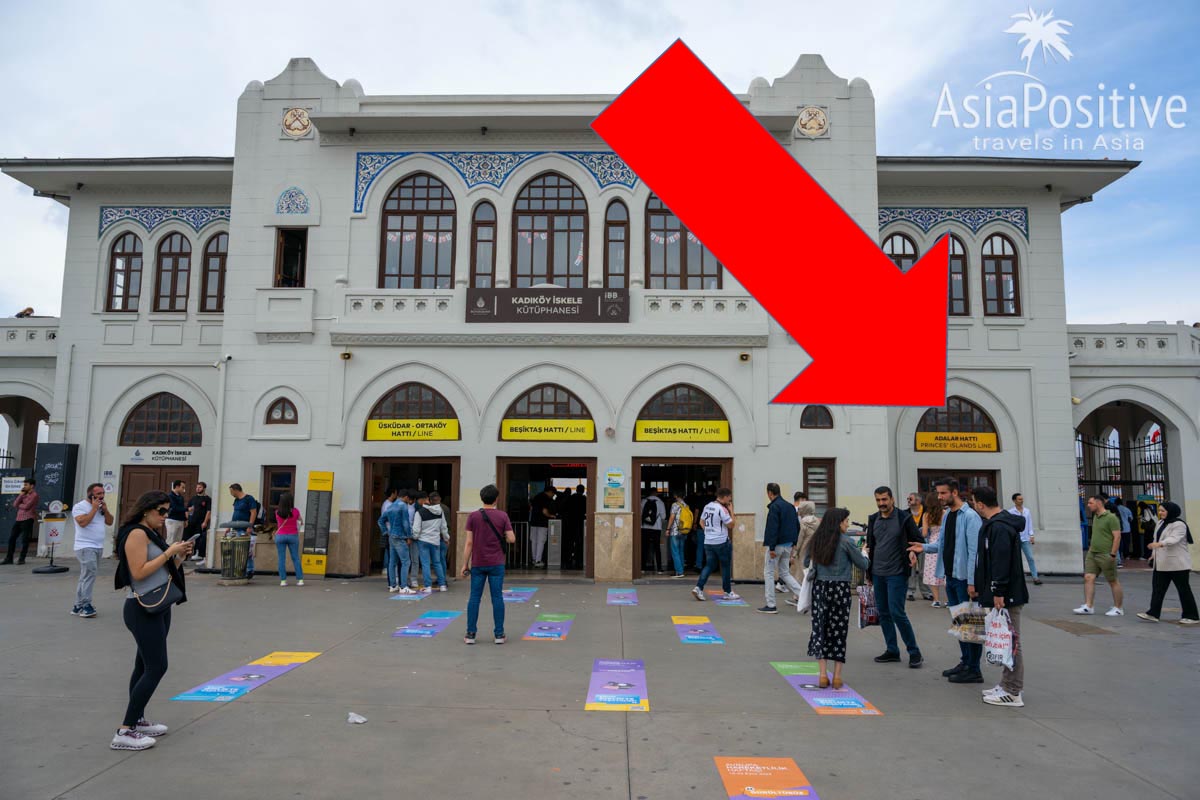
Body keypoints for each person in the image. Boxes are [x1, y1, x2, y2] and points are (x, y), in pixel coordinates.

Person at [111, 490, 192, 750]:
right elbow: (138, 571)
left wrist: (179, 556)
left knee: (143, 664)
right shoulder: (136, 533)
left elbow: (162, 573)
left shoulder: (151, 534)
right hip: (140, 607)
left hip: (157, 604)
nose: (165, 516)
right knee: (157, 666)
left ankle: (138, 719)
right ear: (147, 509)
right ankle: (124, 730)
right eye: (161, 511)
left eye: (167, 511)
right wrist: (169, 553)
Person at [911, 478, 983, 682]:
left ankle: (974, 669)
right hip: (951, 577)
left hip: (964, 579)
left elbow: (974, 552)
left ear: (954, 492)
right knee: (960, 624)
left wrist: (972, 581)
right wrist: (922, 547)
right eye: (938, 493)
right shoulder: (948, 516)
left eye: (943, 493)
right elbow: (941, 544)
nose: (940, 497)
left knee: (971, 624)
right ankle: (965, 662)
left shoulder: (970, 516)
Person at [971, 485, 1029, 708]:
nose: (974, 506)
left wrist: (998, 590)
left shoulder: (1000, 528)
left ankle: (1013, 691)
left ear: (981, 504)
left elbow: (1001, 561)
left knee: (1012, 642)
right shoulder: (996, 525)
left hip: (1007, 595)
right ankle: (1006, 684)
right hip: (1003, 593)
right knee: (1006, 640)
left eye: (974, 502)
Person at [804, 508, 871, 688]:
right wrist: (864, 552)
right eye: (846, 521)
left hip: (820, 588)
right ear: (838, 522)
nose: (847, 524)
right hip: (840, 590)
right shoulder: (847, 542)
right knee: (839, 631)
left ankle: (822, 675)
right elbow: (863, 564)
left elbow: (805, 563)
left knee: (820, 629)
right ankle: (837, 677)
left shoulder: (817, 540)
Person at [865, 486, 924, 668]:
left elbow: (918, 541)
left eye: (884, 500)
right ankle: (892, 650)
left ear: (892, 499)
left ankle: (914, 652)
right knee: (883, 613)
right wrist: (868, 569)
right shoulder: (873, 519)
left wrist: (913, 554)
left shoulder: (903, 518)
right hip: (877, 573)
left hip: (897, 573)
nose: (881, 503)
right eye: (878, 500)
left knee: (897, 612)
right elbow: (871, 546)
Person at [462, 484, 516, 645]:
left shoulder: (473, 516)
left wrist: (465, 564)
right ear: (496, 499)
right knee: (497, 597)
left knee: (474, 598)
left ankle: (471, 634)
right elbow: (512, 539)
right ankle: (499, 634)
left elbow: (469, 543)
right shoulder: (503, 516)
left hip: (478, 563)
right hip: (496, 563)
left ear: (481, 498)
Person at [1139, 502, 1199, 624]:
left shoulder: (1179, 524)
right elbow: (1156, 538)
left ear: (1171, 511)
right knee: (1158, 589)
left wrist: (1160, 544)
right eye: (1160, 510)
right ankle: (1153, 613)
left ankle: (1192, 616)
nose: (1160, 513)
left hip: (1177, 564)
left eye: (1163, 511)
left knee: (1183, 590)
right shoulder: (1160, 523)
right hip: (1161, 563)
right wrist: (1153, 555)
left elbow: (1174, 539)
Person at [1075, 495, 1123, 616]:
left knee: (1112, 581)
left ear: (1099, 503)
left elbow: (1117, 537)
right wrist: (1091, 550)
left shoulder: (1111, 518)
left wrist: (1113, 554)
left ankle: (1118, 608)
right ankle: (1088, 606)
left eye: (1090, 503)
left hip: (1106, 554)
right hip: (1093, 553)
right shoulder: (1095, 516)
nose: (1088, 505)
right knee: (1088, 577)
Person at [758, 482, 803, 613]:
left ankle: (771, 605)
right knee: (785, 573)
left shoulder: (774, 507)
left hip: (776, 547)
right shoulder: (790, 507)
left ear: (770, 493)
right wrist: (794, 544)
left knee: (769, 573)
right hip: (788, 546)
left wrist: (771, 548)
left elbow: (772, 529)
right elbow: (797, 526)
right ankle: (804, 597)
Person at [71, 483, 113, 618]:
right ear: (90, 494)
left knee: (86, 575)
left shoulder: (101, 507)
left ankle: (77, 605)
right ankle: (86, 605)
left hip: (98, 546)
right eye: (98, 493)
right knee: (90, 574)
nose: (101, 496)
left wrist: (105, 510)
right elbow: (82, 523)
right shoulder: (79, 507)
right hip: (85, 546)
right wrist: (94, 509)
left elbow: (110, 522)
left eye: (103, 493)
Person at [691, 488, 738, 602]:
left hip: (708, 541)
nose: (730, 500)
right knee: (726, 566)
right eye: (729, 497)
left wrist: (708, 531)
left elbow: (701, 522)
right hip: (721, 541)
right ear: (725, 497)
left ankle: (699, 587)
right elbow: (731, 525)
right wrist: (731, 511)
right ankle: (727, 592)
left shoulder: (708, 506)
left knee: (709, 565)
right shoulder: (722, 509)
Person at [379, 490, 414, 593]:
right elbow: (406, 523)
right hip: (400, 537)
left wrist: (386, 532)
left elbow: (380, 520)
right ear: (406, 497)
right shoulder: (403, 506)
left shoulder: (390, 506)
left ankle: (393, 585)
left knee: (392, 562)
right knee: (406, 561)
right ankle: (403, 586)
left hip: (392, 537)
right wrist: (409, 536)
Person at [415, 492, 449, 591]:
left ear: (429, 501)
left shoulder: (419, 513)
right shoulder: (440, 512)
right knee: (437, 563)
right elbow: (444, 527)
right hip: (435, 541)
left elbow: (416, 529)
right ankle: (442, 585)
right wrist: (446, 538)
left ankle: (428, 586)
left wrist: (415, 537)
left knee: (425, 564)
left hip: (423, 541)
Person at [1007, 492, 1041, 585]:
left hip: (1025, 538)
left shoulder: (1027, 511)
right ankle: (1015, 579)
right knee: (1015, 559)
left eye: (1022, 499)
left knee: (1030, 558)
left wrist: (1032, 535)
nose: (1022, 501)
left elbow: (1029, 524)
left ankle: (1035, 577)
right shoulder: (1010, 512)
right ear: (1014, 500)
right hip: (1016, 539)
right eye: (1019, 499)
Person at [3, 477, 38, 565]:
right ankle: (9, 558)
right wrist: (21, 495)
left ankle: (22, 559)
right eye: (24, 485)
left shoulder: (34, 495)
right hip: (19, 519)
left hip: (28, 518)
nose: (24, 486)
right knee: (12, 538)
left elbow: (27, 507)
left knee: (24, 539)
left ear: (32, 486)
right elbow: (15, 504)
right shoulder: (23, 494)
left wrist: (20, 505)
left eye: (26, 485)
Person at [228, 484, 260, 578]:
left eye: (231, 491)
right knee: (239, 551)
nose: (230, 493)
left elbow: (253, 512)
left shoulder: (249, 499)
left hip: (244, 528)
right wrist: (229, 526)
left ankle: (249, 570)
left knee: (246, 550)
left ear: (235, 490)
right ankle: (241, 569)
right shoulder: (236, 500)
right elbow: (235, 513)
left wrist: (249, 526)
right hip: (236, 528)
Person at [920, 491, 946, 607]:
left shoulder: (926, 515)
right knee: (946, 572)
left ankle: (936, 600)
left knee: (932, 572)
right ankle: (949, 599)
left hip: (932, 544)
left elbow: (925, 533)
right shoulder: (945, 513)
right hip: (944, 542)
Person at [905, 492, 931, 602]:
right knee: (911, 569)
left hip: (924, 544)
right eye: (908, 499)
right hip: (910, 544)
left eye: (910, 499)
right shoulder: (905, 513)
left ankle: (926, 592)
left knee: (923, 570)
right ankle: (910, 591)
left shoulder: (927, 512)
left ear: (918, 501)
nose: (908, 501)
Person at [274, 492, 304, 587]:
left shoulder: (277, 512)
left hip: (280, 536)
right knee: (295, 558)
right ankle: (300, 580)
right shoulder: (295, 511)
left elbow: (279, 522)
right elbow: (301, 521)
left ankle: (283, 580)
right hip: (293, 536)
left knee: (281, 559)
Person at [665, 489, 691, 578]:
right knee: (681, 551)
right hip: (683, 531)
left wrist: (668, 529)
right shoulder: (686, 505)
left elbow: (672, 517)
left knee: (675, 551)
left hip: (675, 531)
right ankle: (680, 570)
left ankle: (679, 572)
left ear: (676, 496)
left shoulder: (675, 505)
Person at [640, 489, 667, 574]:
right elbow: (663, 516)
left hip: (644, 527)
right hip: (656, 528)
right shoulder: (660, 502)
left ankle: (642, 568)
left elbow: (640, 514)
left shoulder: (643, 501)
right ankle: (659, 569)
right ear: (656, 493)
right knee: (657, 548)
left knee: (644, 547)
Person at [528, 486, 556, 568]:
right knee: (541, 541)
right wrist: (551, 516)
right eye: (553, 494)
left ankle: (534, 559)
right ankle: (538, 560)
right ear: (550, 492)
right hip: (542, 523)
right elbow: (544, 511)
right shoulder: (546, 498)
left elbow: (531, 508)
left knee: (534, 541)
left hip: (533, 522)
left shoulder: (537, 497)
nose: (553, 496)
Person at [185, 482, 211, 562]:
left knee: (199, 538)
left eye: (199, 487)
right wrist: (186, 519)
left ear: (204, 488)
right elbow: (187, 509)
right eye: (197, 487)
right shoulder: (193, 498)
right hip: (191, 521)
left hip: (200, 522)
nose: (197, 489)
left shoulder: (207, 499)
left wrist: (205, 522)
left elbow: (208, 511)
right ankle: (185, 554)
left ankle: (198, 553)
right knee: (187, 538)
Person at [379, 486, 400, 579]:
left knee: (389, 550)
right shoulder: (387, 504)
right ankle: (386, 567)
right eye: (396, 493)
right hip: (389, 530)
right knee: (388, 550)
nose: (396, 494)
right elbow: (384, 518)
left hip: (390, 530)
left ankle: (387, 568)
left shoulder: (389, 503)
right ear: (392, 493)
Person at [565, 483, 587, 570]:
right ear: (583, 490)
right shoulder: (584, 499)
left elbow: (565, 508)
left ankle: (568, 559)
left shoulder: (570, 498)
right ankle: (579, 560)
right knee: (580, 542)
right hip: (580, 523)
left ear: (576, 489)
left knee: (570, 541)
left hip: (570, 523)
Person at [432, 491, 452, 585]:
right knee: (441, 559)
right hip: (444, 537)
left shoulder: (436, 509)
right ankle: (441, 578)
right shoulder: (445, 508)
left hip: (439, 537)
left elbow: (444, 525)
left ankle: (442, 579)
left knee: (438, 559)